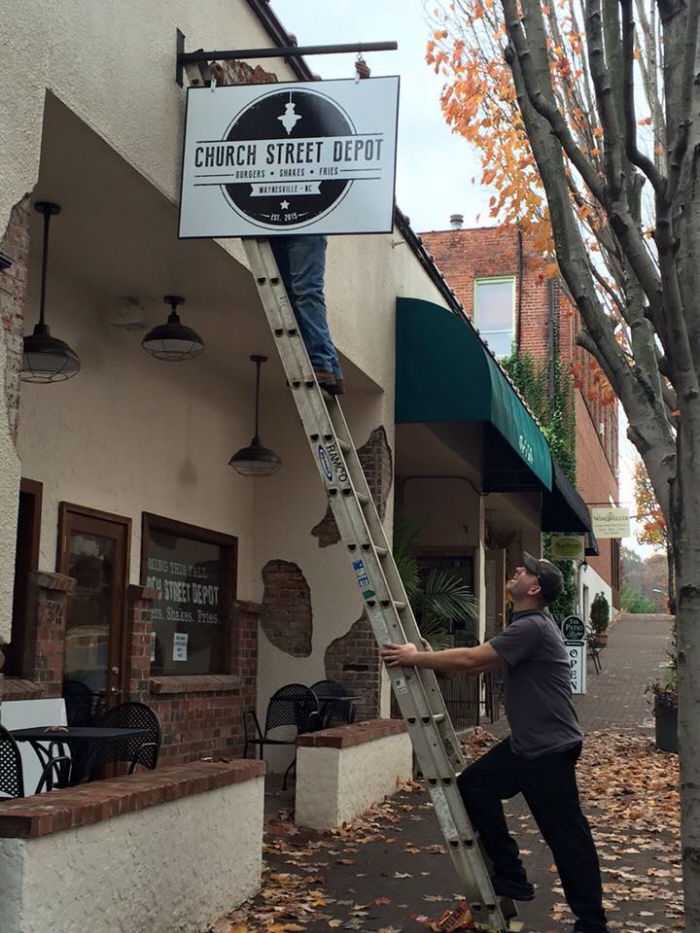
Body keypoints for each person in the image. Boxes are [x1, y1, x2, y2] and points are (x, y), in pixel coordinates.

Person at [381, 552, 610, 933]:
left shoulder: (533, 626)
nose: (517, 571)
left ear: (534, 588)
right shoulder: (526, 625)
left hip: (549, 750)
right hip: (528, 746)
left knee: (567, 838)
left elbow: (473, 659)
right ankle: (511, 874)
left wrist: (416, 658)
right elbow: (484, 661)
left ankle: (592, 923)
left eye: (525, 571)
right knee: (474, 785)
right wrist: (430, 657)